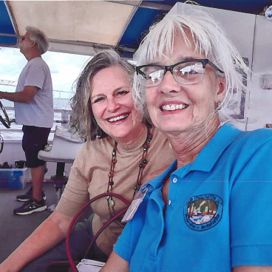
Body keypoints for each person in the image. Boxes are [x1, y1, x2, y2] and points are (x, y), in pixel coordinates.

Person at [100, 8, 272, 272]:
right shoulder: (151, 190)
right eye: (155, 73)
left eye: (190, 69)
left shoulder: (258, 153)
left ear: (220, 88)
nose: (167, 85)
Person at [0, 50, 175, 272]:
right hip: (95, 236)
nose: (112, 106)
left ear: (141, 94)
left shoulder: (173, 144)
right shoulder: (89, 154)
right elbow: (60, 221)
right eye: (99, 99)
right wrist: (7, 266)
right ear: (90, 110)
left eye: (121, 92)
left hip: (148, 256)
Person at [0, 26, 53, 215]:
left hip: (37, 123)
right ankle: (37, 192)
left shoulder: (37, 65)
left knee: (35, 160)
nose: (20, 40)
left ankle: (38, 201)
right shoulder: (34, 65)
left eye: (23, 38)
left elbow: (27, 96)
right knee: (35, 159)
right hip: (35, 122)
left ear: (32, 43)